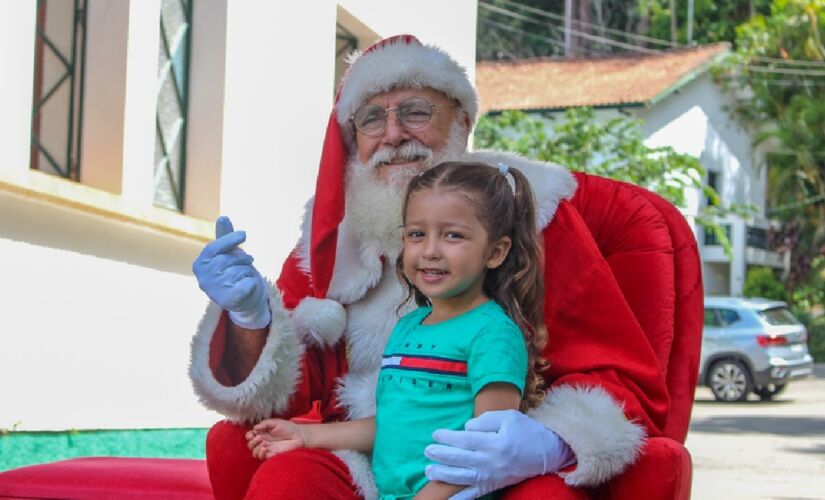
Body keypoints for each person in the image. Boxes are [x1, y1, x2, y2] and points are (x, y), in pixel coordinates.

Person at [190, 34, 669, 500]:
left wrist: (551, 443)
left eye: (416, 111)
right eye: (372, 118)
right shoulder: (334, 237)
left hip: (490, 471)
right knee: (287, 484)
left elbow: (612, 374)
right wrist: (253, 319)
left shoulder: (529, 213)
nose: (393, 135)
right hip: (368, 456)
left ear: (461, 122)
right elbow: (295, 394)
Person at [245, 161, 561, 499]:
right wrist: (304, 435)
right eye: (417, 234)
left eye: (453, 235)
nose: (430, 251)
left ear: (495, 252)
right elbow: (391, 426)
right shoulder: (409, 326)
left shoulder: (493, 334)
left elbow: (488, 452)